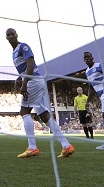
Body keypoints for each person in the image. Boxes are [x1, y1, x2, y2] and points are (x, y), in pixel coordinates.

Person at [5, 28, 75, 158]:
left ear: (16, 35)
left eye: (12, 34)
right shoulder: (14, 53)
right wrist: (19, 78)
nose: (10, 36)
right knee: (44, 115)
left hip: (33, 82)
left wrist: (24, 84)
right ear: (6, 38)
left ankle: (32, 147)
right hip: (37, 82)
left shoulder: (23, 47)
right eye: (8, 35)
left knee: (24, 111)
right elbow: (25, 68)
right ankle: (66, 146)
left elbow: (30, 65)